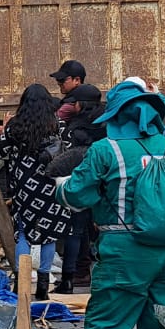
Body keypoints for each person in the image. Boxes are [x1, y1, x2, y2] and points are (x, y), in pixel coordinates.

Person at [56, 79, 165, 329]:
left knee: (107, 326)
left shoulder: (107, 150)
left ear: (116, 114)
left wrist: (60, 186)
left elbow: (77, 195)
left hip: (126, 253)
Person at [0, 84, 73, 301]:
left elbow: (0, 152)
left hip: (25, 186)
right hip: (51, 185)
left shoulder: (15, 126)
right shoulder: (57, 125)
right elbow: (68, 152)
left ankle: (21, 284)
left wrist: (5, 131)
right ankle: (42, 287)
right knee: (49, 235)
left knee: (24, 233)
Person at [50, 82, 105, 291]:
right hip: (103, 182)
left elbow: (65, 155)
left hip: (80, 181)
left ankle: (71, 278)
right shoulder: (106, 124)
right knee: (100, 229)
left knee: (75, 230)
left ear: (80, 105)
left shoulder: (74, 127)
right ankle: (97, 272)